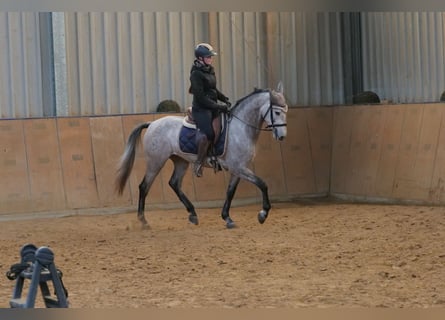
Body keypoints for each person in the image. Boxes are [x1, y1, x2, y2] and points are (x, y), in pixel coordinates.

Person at [189, 43, 231, 177]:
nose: (211, 59)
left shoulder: (209, 69)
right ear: (200, 58)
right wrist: (218, 106)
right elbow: (200, 97)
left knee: (223, 128)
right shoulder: (195, 74)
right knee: (208, 133)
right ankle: (199, 163)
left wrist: (224, 98)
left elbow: (213, 89)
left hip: (212, 106)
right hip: (201, 108)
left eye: (211, 57)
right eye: (208, 57)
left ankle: (215, 156)